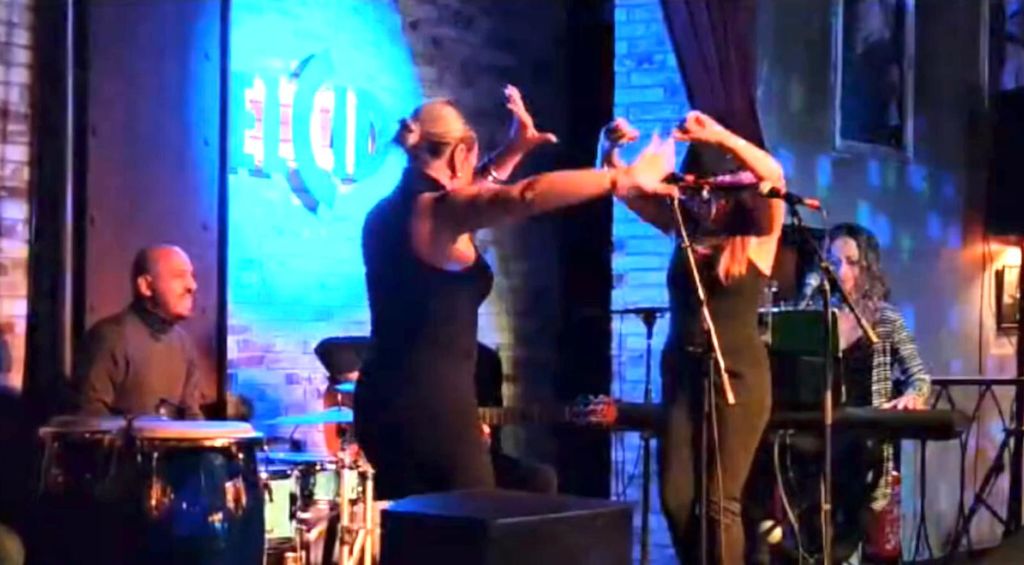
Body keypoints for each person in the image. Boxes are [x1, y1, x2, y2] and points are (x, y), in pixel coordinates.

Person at [355, 87, 676, 500]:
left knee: (516, 489)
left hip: (384, 399)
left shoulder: (388, 212)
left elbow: (474, 196)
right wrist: (620, 179)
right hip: (432, 406)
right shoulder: (439, 212)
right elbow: (521, 196)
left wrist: (513, 150)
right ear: (462, 153)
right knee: (471, 528)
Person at [599, 112, 786, 564]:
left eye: (710, 192)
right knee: (676, 497)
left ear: (730, 192)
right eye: (693, 191)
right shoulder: (681, 228)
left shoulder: (756, 236)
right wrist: (609, 148)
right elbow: (621, 187)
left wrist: (720, 135)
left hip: (736, 375)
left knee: (720, 502)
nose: (701, 201)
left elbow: (775, 175)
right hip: (682, 371)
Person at [818, 222, 930, 559]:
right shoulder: (815, 316)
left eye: (852, 263)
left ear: (868, 267)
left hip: (866, 448)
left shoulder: (885, 317)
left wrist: (913, 395)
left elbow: (919, 377)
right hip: (821, 445)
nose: (843, 272)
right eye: (834, 262)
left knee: (862, 541)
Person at [73, 245, 203, 419]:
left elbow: (192, 417)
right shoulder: (109, 338)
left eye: (191, 276)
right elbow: (89, 418)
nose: (192, 286)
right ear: (146, 286)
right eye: (179, 276)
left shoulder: (183, 344)